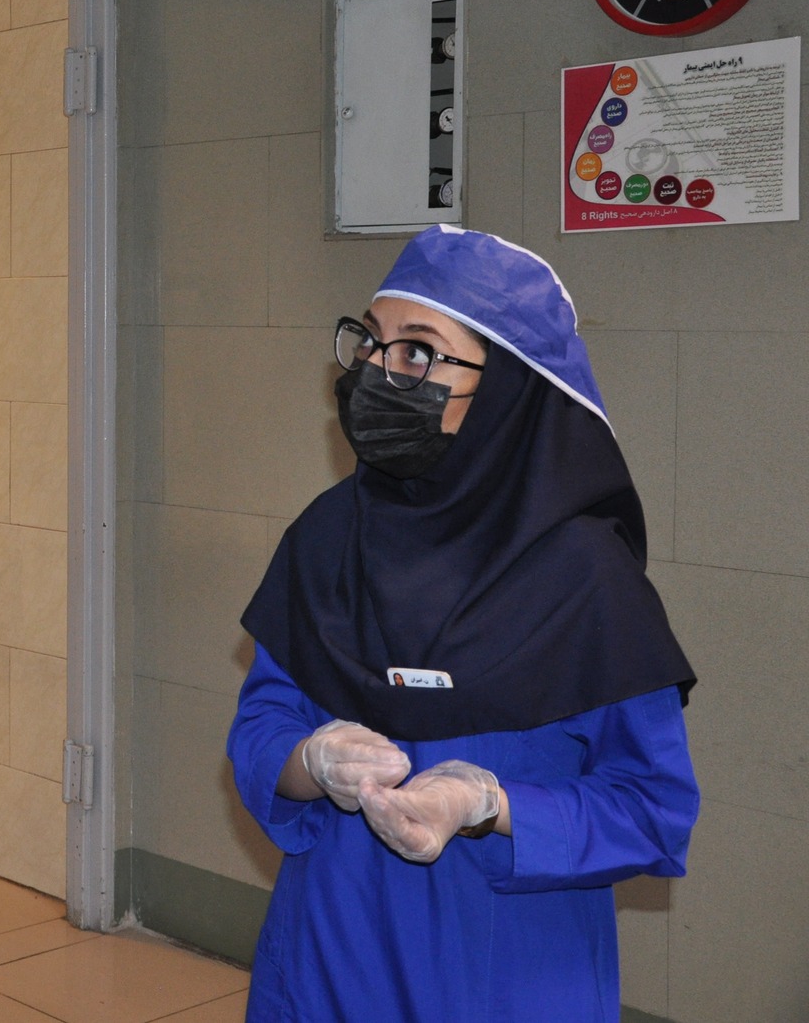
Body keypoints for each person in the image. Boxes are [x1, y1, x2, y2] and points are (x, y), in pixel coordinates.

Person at [227, 225, 699, 1021]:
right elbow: (260, 725)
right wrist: (308, 759)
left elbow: (653, 808)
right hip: (328, 958)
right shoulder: (327, 537)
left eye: (418, 351)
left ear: (509, 388)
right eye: (371, 342)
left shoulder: (587, 580)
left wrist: (492, 805)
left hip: (507, 978)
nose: (379, 372)